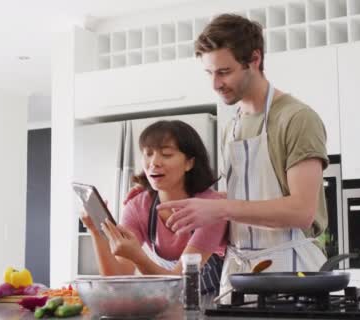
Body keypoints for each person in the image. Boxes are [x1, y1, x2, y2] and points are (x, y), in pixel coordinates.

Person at [148, 13, 330, 297]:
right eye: (209, 73)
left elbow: (302, 211)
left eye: (224, 72)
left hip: (293, 273)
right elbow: (246, 202)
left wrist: (220, 208)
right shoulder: (232, 126)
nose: (215, 84)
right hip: (239, 275)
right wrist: (201, 207)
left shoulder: (296, 118)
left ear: (254, 60)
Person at [80, 120, 227, 294]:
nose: (154, 162)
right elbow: (117, 277)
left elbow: (183, 284)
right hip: (170, 300)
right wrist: (95, 231)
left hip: (216, 303)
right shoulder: (137, 206)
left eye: (166, 154)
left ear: (189, 163)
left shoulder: (211, 208)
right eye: (148, 154)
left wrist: (137, 256)